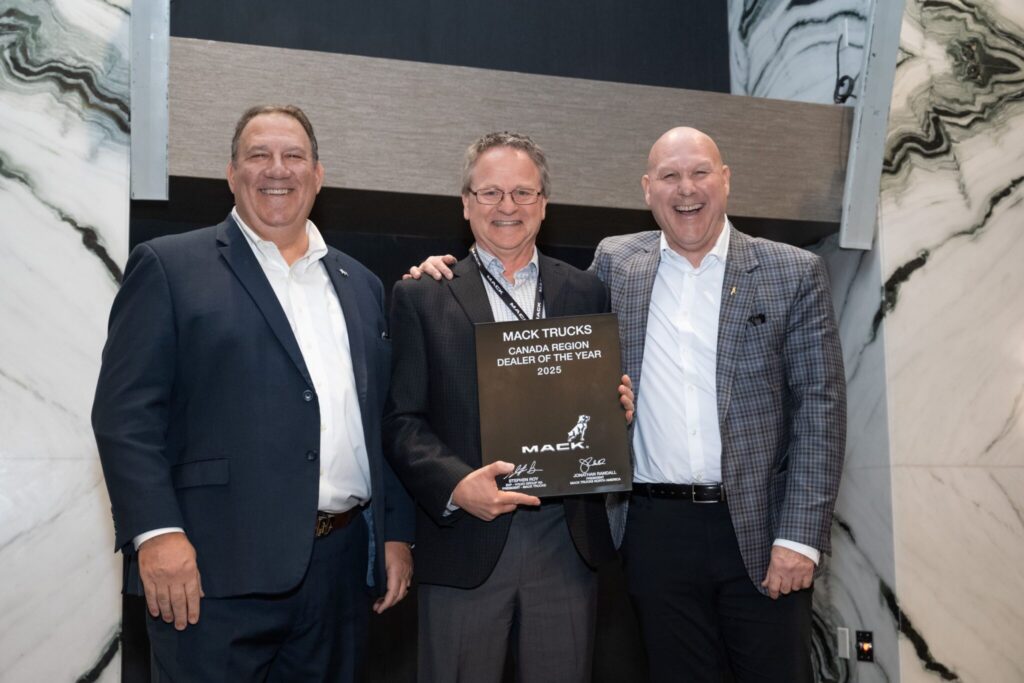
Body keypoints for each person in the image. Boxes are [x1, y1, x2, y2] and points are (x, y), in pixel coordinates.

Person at [408, 126, 847, 682]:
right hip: (653, 532)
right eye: (669, 176)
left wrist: (800, 536)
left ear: (726, 180)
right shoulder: (616, 265)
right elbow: (549, 338)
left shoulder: (792, 271)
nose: (685, 189)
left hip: (761, 532)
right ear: (647, 189)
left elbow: (821, 411)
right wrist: (438, 274)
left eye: (699, 172)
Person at [92, 104, 415, 682]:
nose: (277, 170)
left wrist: (392, 533)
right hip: (210, 573)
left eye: (294, 156)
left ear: (318, 174)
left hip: (337, 575)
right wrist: (157, 535)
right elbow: (125, 417)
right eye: (258, 155)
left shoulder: (361, 284)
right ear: (231, 173)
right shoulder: (169, 267)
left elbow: (377, 418)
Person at [383, 131, 633, 683]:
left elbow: (594, 401)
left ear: (544, 204)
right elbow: (402, 421)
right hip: (465, 542)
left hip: (566, 544)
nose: (507, 207)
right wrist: (454, 486)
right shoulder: (423, 294)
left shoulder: (586, 292)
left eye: (523, 193)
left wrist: (616, 409)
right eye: (491, 193)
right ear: (466, 203)